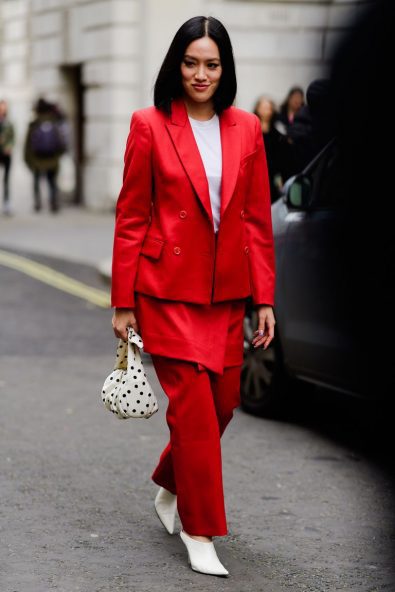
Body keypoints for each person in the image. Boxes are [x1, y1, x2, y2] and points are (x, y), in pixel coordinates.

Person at [111, 15, 276, 577]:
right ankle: (199, 528)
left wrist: (265, 298)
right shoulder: (148, 124)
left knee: (224, 401)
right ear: (175, 65)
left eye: (211, 64)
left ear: (224, 68)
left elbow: (254, 218)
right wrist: (122, 301)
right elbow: (131, 216)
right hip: (165, 291)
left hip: (227, 294)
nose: (200, 73)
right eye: (190, 62)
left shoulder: (247, 128)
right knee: (196, 412)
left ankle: (169, 483)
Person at [24, 98, 66, 213]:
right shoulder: (54, 122)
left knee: (36, 181)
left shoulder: (34, 124)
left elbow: (27, 145)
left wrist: (27, 160)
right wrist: (58, 156)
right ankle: (53, 203)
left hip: (37, 159)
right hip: (52, 159)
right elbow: (61, 143)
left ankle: (38, 203)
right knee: (52, 182)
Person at [253, 94, 293, 202]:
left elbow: (280, 155)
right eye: (264, 107)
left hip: (273, 173)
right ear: (257, 109)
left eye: (269, 108)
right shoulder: (252, 128)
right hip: (256, 174)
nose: (267, 111)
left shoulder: (277, 130)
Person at [0, 99, 15, 216]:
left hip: (6, 154)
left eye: (4, 107)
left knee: (6, 179)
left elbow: (13, 138)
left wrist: (9, 146)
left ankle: (6, 202)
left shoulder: (9, 123)